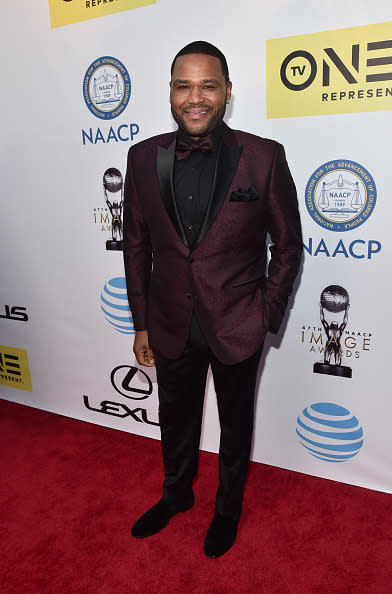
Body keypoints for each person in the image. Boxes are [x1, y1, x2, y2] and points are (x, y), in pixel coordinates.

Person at [123, 41, 302, 558]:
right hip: (170, 319)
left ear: (227, 92)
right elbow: (135, 246)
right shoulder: (140, 158)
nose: (195, 97)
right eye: (184, 85)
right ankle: (176, 496)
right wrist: (141, 323)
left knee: (235, 425)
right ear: (171, 92)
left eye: (208, 85)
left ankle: (226, 511)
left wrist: (266, 315)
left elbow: (288, 246)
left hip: (238, 322)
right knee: (175, 417)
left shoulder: (262, 156)